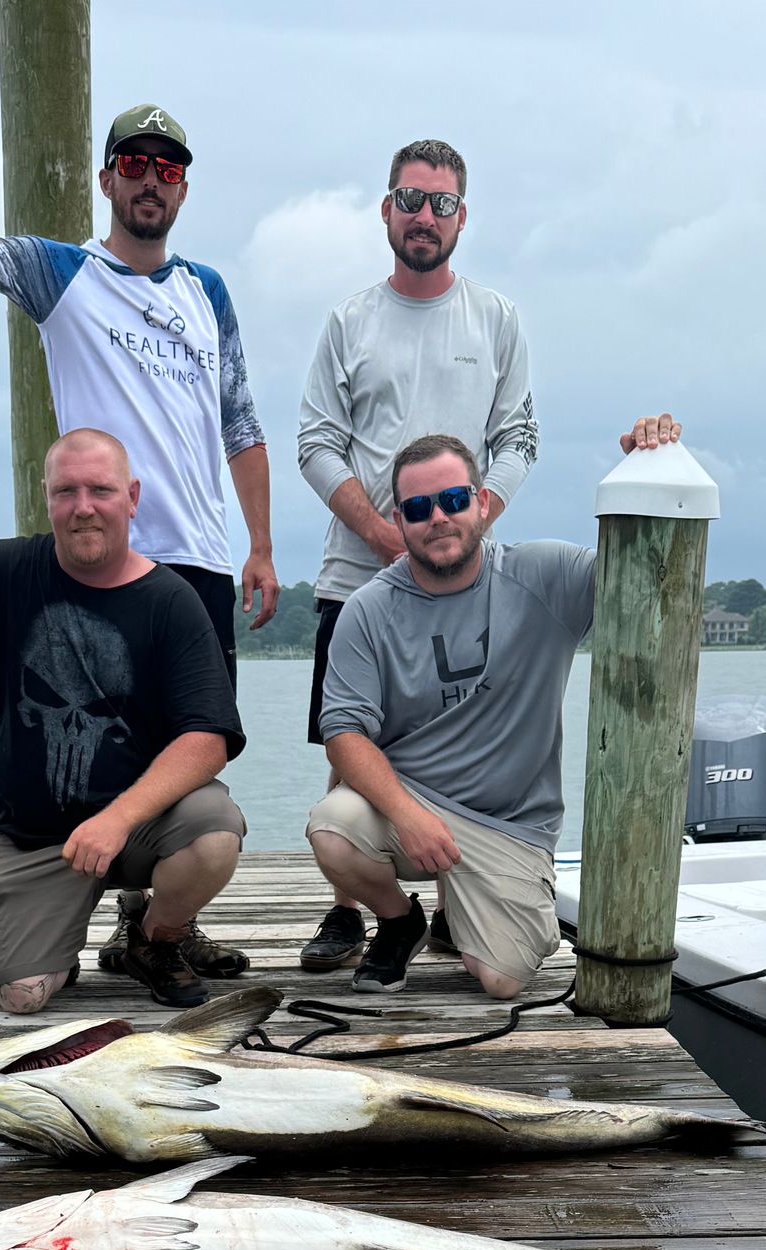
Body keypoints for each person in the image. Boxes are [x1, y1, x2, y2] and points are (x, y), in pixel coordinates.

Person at [0, 105, 272, 983]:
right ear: (108, 176)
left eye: (169, 168)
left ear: (183, 187)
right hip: (103, 562)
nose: (151, 178)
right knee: (102, 731)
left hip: (196, 559)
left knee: (190, 759)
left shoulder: (209, 292)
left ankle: (155, 926)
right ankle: (71, 897)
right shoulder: (64, 274)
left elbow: (240, 421)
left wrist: (259, 545)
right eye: (135, 162)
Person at [307, 422, 682, 999]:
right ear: (399, 519)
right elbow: (343, 730)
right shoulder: (367, 609)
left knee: (504, 981)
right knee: (333, 828)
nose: (438, 517)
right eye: (418, 507)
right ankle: (400, 919)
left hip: (509, 822)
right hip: (411, 802)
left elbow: (642, 568)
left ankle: (461, 913)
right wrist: (408, 816)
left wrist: (644, 477)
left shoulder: (546, 576)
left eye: (454, 500)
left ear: (482, 503)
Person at [295, 138, 539, 974]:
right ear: (386, 210)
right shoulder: (348, 321)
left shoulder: (497, 318)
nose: (423, 216)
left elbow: (517, 437)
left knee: (456, 734)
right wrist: (380, 529)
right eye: (409, 199)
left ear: (462, 218)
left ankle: (451, 905)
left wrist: (469, 519)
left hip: (461, 579)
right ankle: (353, 908)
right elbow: (316, 442)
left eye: (440, 203)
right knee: (351, 743)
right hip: (357, 574)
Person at [0, 428, 246, 1015]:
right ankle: (60, 936)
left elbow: (208, 739)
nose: (83, 507)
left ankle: (153, 937)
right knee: (21, 995)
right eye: (66, 491)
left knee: (214, 827)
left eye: (100, 490)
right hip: (33, 836)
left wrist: (117, 819)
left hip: (137, 828)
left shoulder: (171, 600)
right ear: (47, 497)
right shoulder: (1, 571)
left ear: (131, 497)